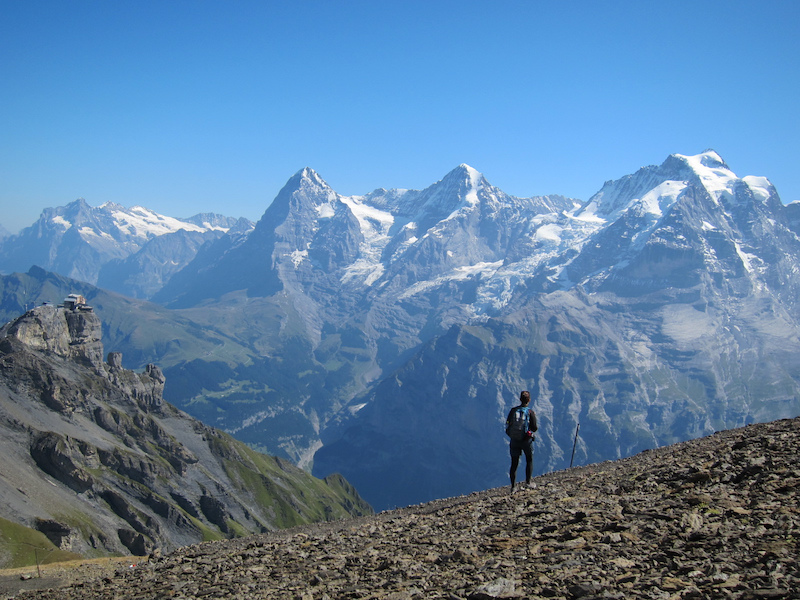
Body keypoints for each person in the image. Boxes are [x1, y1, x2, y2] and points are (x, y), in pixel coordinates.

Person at [505, 390, 538, 492]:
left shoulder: (513, 410)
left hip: (514, 440)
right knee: (529, 459)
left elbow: (508, 423)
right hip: (526, 441)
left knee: (514, 463)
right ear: (529, 400)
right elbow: (534, 428)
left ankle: (513, 487)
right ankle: (528, 482)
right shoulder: (530, 412)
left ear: (520, 399)